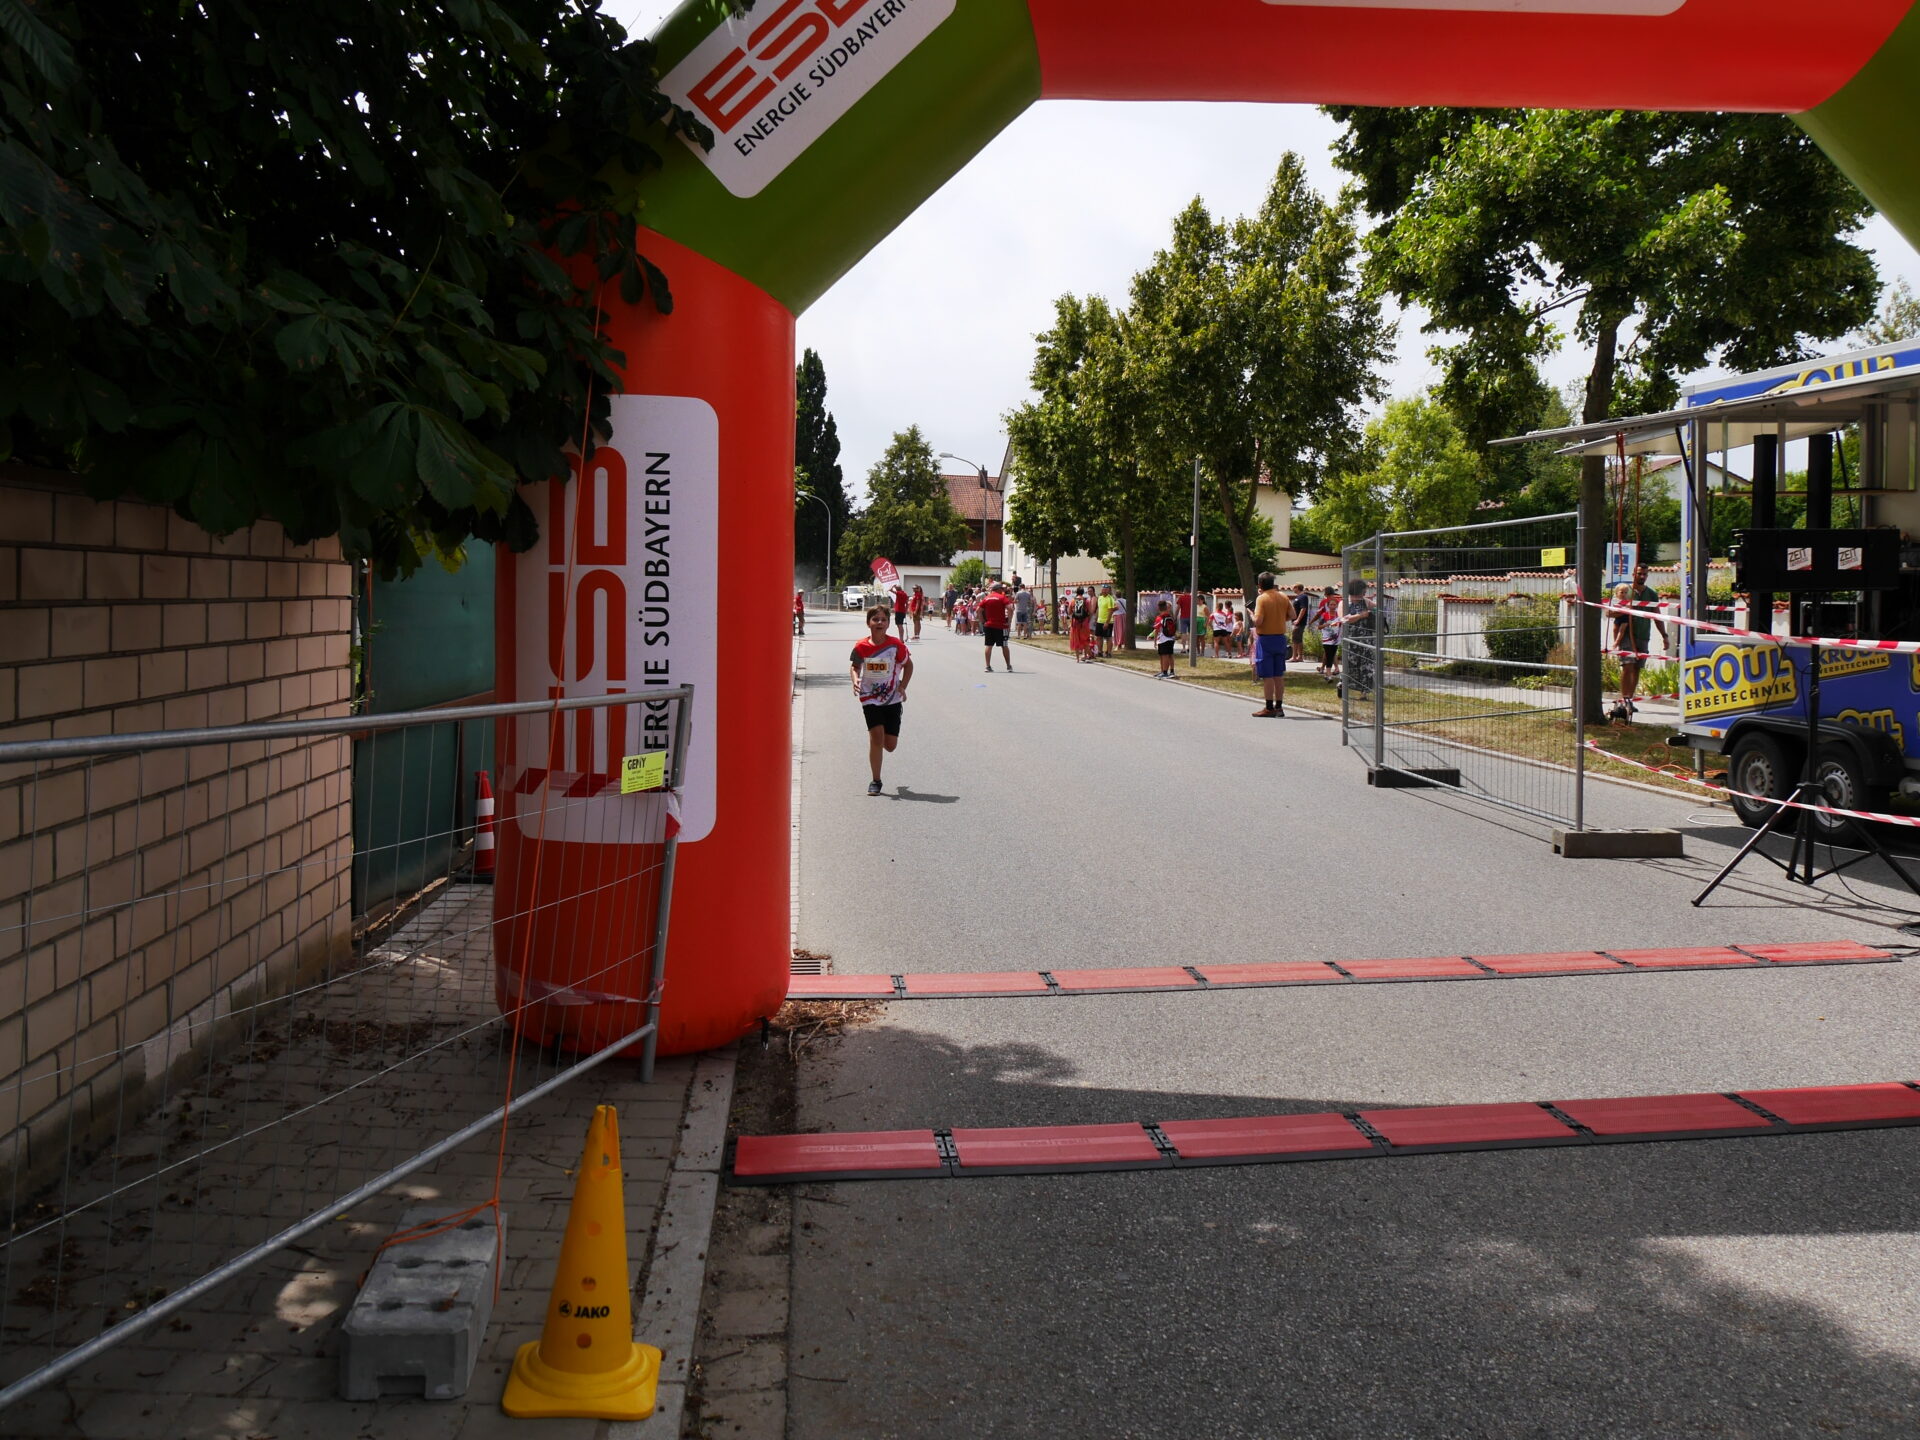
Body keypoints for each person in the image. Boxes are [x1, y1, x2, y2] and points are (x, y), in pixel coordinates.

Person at [850, 604, 912, 796]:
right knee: (876, 738)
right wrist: (855, 680)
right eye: (875, 619)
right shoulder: (861, 646)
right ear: (868, 623)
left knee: (890, 746)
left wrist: (902, 686)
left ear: (888, 623)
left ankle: (884, 735)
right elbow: (855, 666)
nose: (879, 622)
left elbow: (908, 665)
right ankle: (876, 781)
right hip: (869, 698)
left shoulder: (896, 645)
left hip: (892, 699)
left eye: (883, 619)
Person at [1617, 562, 1670, 719]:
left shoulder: (1651, 594)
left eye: (1644, 574)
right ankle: (1624, 700)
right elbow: (1612, 611)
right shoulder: (1625, 591)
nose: (1642, 576)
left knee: (1636, 668)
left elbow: (1657, 616)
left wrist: (1664, 636)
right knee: (1627, 666)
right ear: (1633, 574)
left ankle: (1630, 700)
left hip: (1643, 635)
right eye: (1639, 573)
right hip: (1627, 634)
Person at [1250, 571, 1293, 717]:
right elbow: (1293, 615)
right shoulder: (1283, 596)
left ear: (1260, 584)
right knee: (1278, 675)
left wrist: (1251, 615)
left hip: (1266, 639)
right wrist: (1279, 619)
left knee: (1267, 675)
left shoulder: (1261, 599)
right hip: (1280, 638)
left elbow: (1258, 621)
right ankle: (1279, 707)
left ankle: (1269, 708)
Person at [1338, 578, 1375, 698]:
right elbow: (1344, 620)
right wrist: (1361, 615)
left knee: (1366, 665)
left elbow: (1377, 608)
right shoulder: (1344, 603)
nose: (1365, 592)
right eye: (1363, 590)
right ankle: (1343, 685)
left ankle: (1364, 693)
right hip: (1350, 640)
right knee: (1350, 664)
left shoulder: (1366, 602)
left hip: (1366, 639)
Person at [979, 581, 1015, 672]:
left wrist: (982, 621)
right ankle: (1008, 666)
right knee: (1004, 645)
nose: (1003, 590)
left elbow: (978, 610)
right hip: (1001, 626)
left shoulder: (986, 598)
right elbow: (1010, 609)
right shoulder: (1002, 597)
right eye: (1002, 588)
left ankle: (987, 666)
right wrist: (1009, 622)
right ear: (998, 589)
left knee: (988, 645)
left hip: (989, 625)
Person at [1314, 587, 1342, 678]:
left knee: (1330, 651)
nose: (1332, 606)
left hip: (1333, 633)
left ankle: (1327, 669)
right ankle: (1327, 669)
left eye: (1334, 605)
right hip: (1329, 632)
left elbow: (1318, 614)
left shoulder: (1324, 602)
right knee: (1329, 651)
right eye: (1331, 605)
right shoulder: (1339, 601)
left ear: (1325, 593)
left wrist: (1311, 621)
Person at [1149, 600, 1178, 677]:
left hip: (1163, 639)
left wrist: (1155, 640)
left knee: (1163, 656)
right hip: (1171, 638)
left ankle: (1164, 672)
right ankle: (1170, 671)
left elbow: (1156, 630)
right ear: (1166, 607)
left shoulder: (1159, 618)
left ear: (1158, 608)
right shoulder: (1170, 616)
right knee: (1170, 655)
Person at [1068, 586, 1094, 661]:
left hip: (1075, 623)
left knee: (1076, 639)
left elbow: (1069, 612)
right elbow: (1090, 612)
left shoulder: (1073, 601)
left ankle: (1077, 658)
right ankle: (1085, 656)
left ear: (1076, 592)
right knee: (1085, 640)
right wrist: (1088, 619)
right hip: (1084, 623)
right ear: (1083, 592)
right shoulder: (1086, 601)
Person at [1289, 584, 1311, 660]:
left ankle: (1294, 657)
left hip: (1299, 622)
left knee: (1295, 639)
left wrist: (1298, 620)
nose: (1292, 589)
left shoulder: (1303, 597)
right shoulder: (1298, 597)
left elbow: (1303, 608)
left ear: (1297, 588)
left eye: (1293, 587)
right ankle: (1299, 656)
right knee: (1298, 639)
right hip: (1296, 621)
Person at [1094, 584, 1116, 659]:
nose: (1104, 591)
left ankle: (1109, 653)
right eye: (1103, 589)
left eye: (1106, 590)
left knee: (1108, 637)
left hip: (1108, 621)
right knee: (1099, 637)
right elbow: (1098, 609)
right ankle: (1100, 652)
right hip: (1099, 621)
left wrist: (1107, 622)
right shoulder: (1100, 598)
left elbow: (1110, 611)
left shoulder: (1110, 599)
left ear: (1109, 591)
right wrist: (1096, 618)